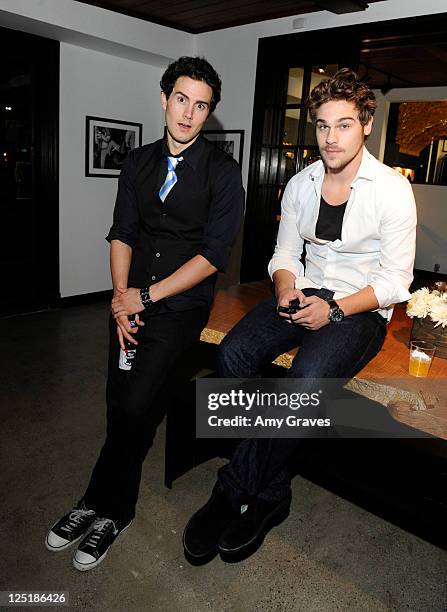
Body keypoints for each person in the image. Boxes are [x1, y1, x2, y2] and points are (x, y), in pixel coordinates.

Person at [183, 68, 417, 563]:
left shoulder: (393, 190)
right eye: (324, 126)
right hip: (304, 290)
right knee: (232, 354)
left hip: (360, 307)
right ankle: (272, 488)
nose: (332, 138)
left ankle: (234, 491)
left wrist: (333, 309)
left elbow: (397, 282)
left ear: (367, 124)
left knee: (305, 383)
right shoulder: (301, 183)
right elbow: (283, 253)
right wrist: (288, 288)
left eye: (345, 125)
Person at [45, 56, 245, 571]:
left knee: (135, 407)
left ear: (209, 114)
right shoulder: (137, 164)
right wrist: (120, 298)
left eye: (201, 106)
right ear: (164, 98)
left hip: (178, 309)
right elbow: (123, 234)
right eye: (181, 99)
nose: (188, 113)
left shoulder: (223, 174)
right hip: (129, 303)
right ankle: (104, 504)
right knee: (120, 403)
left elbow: (211, 257)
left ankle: (105, 508)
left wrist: (147, 298)